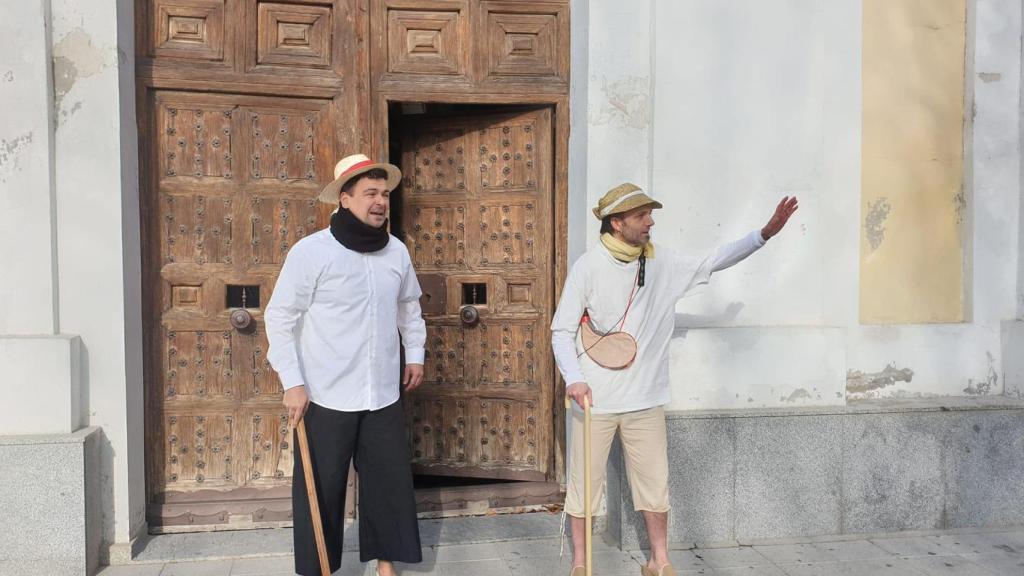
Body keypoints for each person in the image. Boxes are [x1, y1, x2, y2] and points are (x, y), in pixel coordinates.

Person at [551, 183, 798, 576]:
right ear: (617, 223)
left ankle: (659, 560)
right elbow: (561, 331)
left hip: (646, 399)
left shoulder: (664, 262)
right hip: (593, 400)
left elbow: (713, 260)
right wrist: (575, 379)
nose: (650, 222)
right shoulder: (588, 267)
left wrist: (763, 235)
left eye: (650, 215)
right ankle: (581, 564)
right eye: (641, 216)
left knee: (655, 485)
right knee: (584, 487)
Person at [265, 153, 426, 576]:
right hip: (324, 392)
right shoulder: (312, 252)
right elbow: (280, 316)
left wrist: (415, 355)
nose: (380, 202)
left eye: (385, 194)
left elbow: (409, 307)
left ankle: (386, 566)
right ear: (344, 198)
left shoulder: (396, 252)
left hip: (382, 391)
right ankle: (319, 568)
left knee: (387, 484)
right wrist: (292, 382)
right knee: (321, 489)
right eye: (370, 193)